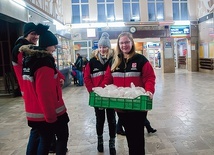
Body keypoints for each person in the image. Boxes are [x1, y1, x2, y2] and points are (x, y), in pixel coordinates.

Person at [102, 32, 156, 155]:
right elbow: (107, 80)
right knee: (130, 137)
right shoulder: (114, 62)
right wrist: (103, 92)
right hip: (121, 107)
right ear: (118, 45)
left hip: (137, 106)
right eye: (121, 43)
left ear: (132, 43)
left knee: (137, 137)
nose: (124, 45)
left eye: (127, 42)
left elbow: (149, 78)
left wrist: (149, 91)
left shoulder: (141, 60)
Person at [20, 23, 69, 155]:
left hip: (35, 111)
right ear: (48, 45)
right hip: (47, 114)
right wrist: (51, 118)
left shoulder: (30, 59)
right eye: (54, 45)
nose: (55, 48)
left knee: (44, 140)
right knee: (59, 138)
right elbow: (44, 94)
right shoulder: (44, 64)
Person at [84, 32, 116, 155]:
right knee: (100, 120)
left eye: (105, 47)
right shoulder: (92, 62)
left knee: (112, 119)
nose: (103, 49)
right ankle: (100, 140)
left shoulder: (114, 61)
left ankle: (112, 143)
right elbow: (87, 78)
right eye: (101, 47)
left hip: (111, 95)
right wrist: (92, 91)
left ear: (109, 47)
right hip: (98, 96)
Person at [11, 22, 41, 154]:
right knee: (37, 126)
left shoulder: (26, 47)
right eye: (33, 33)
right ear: (26, 34)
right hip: (29, 90)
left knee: (39, 126)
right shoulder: (21, 49)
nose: (36, 36)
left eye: (36, 34)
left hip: (29, 89)